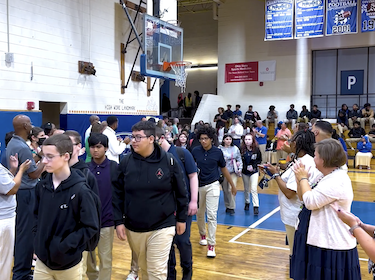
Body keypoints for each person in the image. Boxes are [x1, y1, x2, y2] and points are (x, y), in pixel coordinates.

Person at [112, 121, 188, 280]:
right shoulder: (126, 163)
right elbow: (117, 193)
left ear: (151, 139)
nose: (133, 141)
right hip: (134, 227)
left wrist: (181, 218)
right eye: (132, 137)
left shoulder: (169, 161)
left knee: (157, 272)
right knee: (145, 270)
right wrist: (118, 221)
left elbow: (181, 191)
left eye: (138, 137)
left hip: (163, 225)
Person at [290, 138, 361, 280]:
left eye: (316, 155)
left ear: (324, 159)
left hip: (331, 242)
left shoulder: (337, 180)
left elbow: (310, 202)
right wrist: (300, 180)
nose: (314, 158)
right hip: (320, 238)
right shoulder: (323, 175)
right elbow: (303, 197)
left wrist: (303, 179)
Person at [33, 134, 100, 279]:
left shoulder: (81, 190)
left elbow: (91, 227)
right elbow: (35, 217)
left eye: (50, 156)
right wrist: (37, 243)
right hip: (42, 262)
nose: (44, 161)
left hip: (69, 264)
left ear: (65, 156)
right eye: (43, 156)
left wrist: (65, 245)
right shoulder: (41, 186)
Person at [264, 129, 321, 255]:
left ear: (297, 144)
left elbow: (290, 193)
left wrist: (276, 175)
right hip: (294, 214)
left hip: (295, 214)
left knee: (295, 253)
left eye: (291, 141)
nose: (288, 143)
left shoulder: (303, 163)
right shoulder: (303, 159)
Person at [155, 128, 198, 280]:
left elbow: (193, 176)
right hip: (164, 208)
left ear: (160, 138)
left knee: (182, 241)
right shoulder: (154, 157)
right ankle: (170, 274)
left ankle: (187, 271)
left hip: (182, 206)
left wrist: (193, 201)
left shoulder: (181, 153)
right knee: (167, 243)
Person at [7, 114, 46, 280]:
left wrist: (38, 156)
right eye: (29, 123)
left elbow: (28, 163)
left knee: (22, 232)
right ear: (24, 126)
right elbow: (33, 175)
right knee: (26, 233)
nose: (32, 125)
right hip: (26, 193)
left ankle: (21, 269)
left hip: (20, 194)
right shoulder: (22, 147)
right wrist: (46, 160)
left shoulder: (14, 143)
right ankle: (21, 272)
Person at [191, 126, 237, 258]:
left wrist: (232, 185)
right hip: (198, 186)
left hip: (213, 185)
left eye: (206, 139)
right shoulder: (195, 151)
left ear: (211, 139)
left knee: (211, 215)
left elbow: (224, 169)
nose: (203, 141)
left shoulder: (218, 152)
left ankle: (211, 246)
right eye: (201, 139)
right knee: (200, 214)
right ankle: (202, 235)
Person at [88, 133, 119, 280]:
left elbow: (119, 194)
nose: (95, 150)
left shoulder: (114, 168)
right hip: (87, 222)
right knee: (89, 260)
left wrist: (119, 220)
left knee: (105, 258)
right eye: (92, 147)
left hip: (107, 221)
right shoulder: (85, 169)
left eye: (99, 146)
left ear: (106, 148)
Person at [0, 153, 31, 280]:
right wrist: (22, 170)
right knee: (3, 261)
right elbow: (11, 189)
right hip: (3, 219)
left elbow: (4, 184)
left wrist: (13, 170)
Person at [219, 134, 242, 215]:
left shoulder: (235, 149)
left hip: (233, 172)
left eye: (230, 139)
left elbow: (239, 159)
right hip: (223, 172)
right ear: (223, 140)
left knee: (231, 188)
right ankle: (227, 206)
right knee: (225, 190)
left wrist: (240, 168)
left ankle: (232, 207)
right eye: (227, 139)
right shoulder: (219, 149)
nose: (228, 141)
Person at [241, 133, 261, 214]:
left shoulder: (256, 149)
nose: (247, 141)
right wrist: (244, 167)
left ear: (252, 140)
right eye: (246, 139)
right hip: (245, 172)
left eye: (249, 139)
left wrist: (254, 166)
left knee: (253, 189)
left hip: (254, 172)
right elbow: (241, 160)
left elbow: (259, 160)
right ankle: (247, 202)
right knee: (246, 189)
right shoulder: (242, 149)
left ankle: (256, 206)